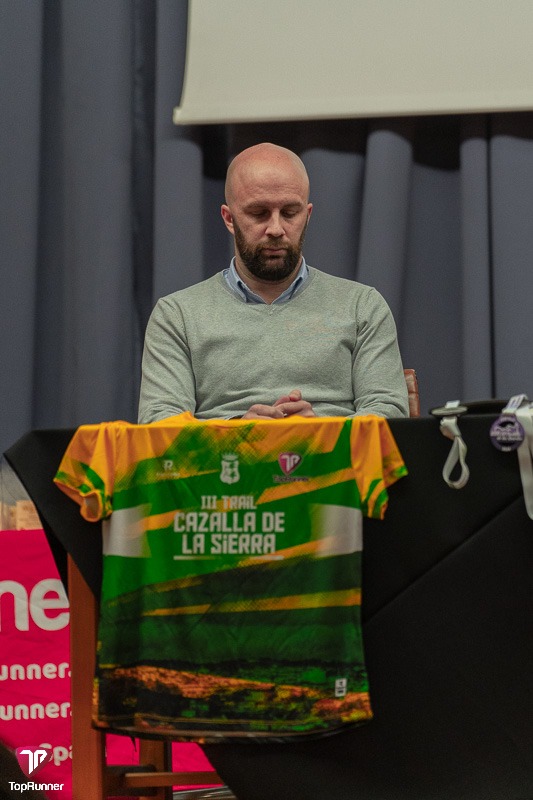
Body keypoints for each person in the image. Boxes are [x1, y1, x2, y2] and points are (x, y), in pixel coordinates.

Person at [138, 142, 409, 422]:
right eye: (259, 213)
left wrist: (320, 432)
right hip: (225, 451)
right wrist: (238, 433)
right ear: (229, 219)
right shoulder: (177, 315)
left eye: (290, 213)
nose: (276, 229)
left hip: (335, 450)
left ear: (307, 216)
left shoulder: (362, 306)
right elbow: (159, 423)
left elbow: (390, 414)